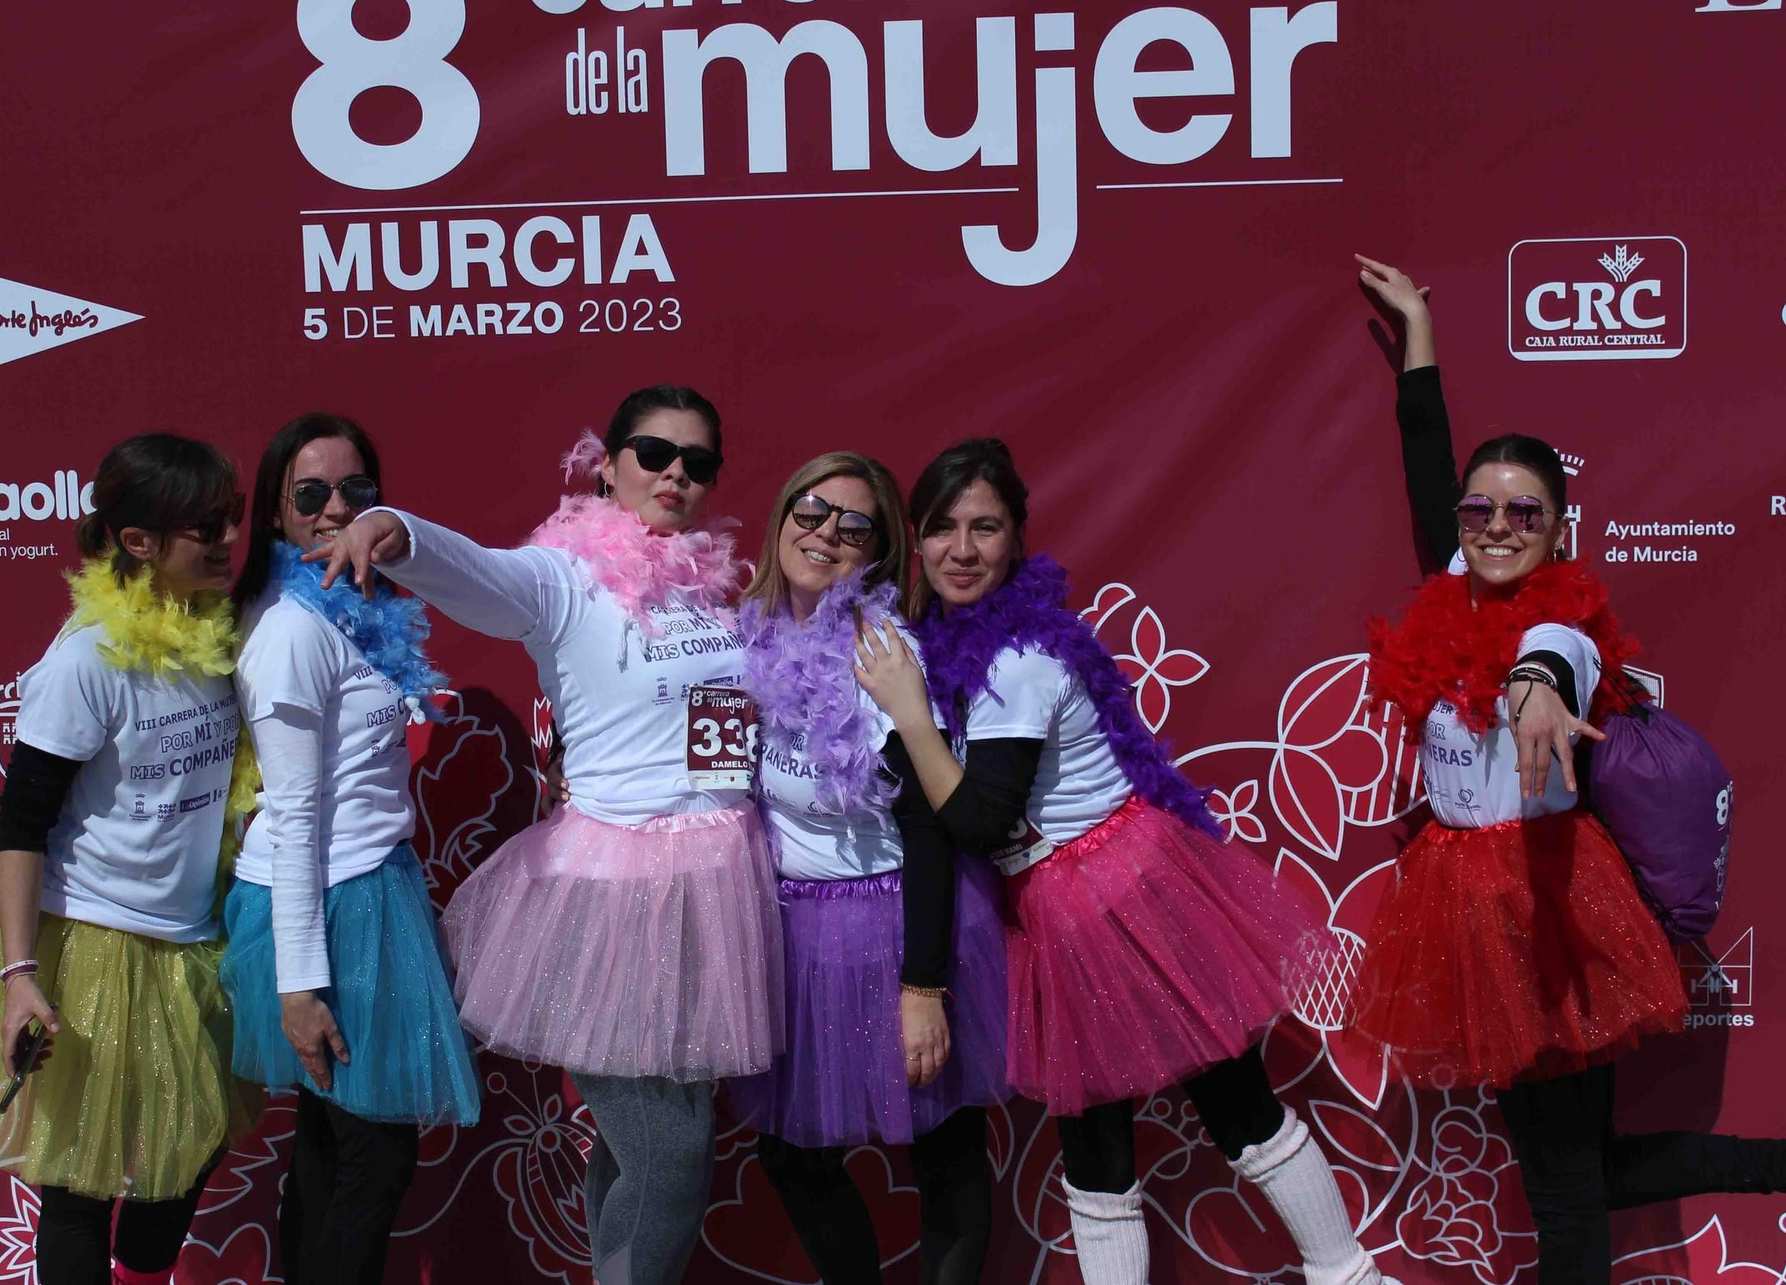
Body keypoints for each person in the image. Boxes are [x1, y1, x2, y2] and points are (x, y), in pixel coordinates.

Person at [855, 438, 1393, 1285]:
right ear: (915, 541)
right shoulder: (953, 643)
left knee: (1234, 1106)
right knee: (1096, 1146)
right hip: (1065, 902)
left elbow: (982, 821)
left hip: (1117, 893)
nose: (962, 549)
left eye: (985, 527)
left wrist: (911, 714)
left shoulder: (1017, 659)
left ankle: (1351, 1277)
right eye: (943, 528)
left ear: (1016, 539)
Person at [1353, 256, 1785, 1285]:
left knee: (1559, 1190)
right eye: (1479, 512)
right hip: (1475, 906)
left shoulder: (1563, 621)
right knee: (1580, 1169)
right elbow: (1428, 465)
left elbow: (1555, 654)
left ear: (1559, 530)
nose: (1495, 527)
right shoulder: (1452, 585)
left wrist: (1536, 686)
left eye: (1522, 513)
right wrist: (1416, 330)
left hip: (1540, 910)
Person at [313, 385, 780, 1285]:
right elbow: (480, 574)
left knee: (639, 1142)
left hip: (716, 887)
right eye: (654, 452)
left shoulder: (712, 584)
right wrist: (395, 528)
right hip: (615, 898)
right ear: (607, 466)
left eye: (699, 460)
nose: (676, 473)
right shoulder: (563, 579)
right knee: (671, 1152)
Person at [0, 433, 259, 1285]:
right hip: (92, 946)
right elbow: (21, 825)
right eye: (203, 525)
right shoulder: (85, 661)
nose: (226, 538)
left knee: (178, 1173)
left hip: (194, 941)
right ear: (138, 542)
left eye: (229, 518)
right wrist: (18, 974)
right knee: (79, 1189)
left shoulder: (219, 635)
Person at [728, 452, 1010, 1285]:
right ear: (783, 515)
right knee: (791, 1151)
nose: (825, 534)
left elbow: (928, 829)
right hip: (791, 928)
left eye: (854, 527)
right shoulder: (741, 639)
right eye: (812, 512)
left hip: (896, 922)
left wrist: (921, 987)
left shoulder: (884, 654)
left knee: (944, 1142)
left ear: (877, 554)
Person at [220, 413, 483, 1284]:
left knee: (336, 1146)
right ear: (276, 514)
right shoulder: (293, 632)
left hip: (373, 887)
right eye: (310, 493)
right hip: (324, 912)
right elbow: (292, 815)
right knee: (374, 1156)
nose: (336, 508)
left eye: (355, 490)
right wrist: (300, 987)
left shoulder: (359, 604)